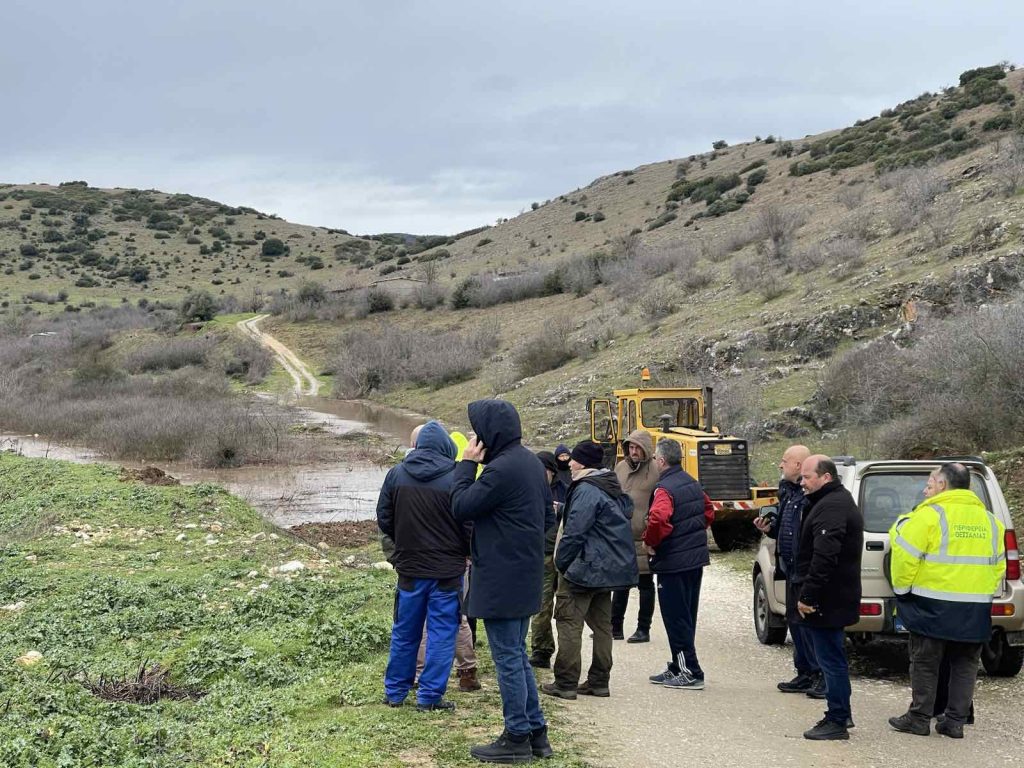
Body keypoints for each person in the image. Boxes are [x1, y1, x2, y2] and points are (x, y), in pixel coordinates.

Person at [451, 400, 555, 764]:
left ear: (491, 434)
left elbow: (461, 505)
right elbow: (546, 520)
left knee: (508, 659)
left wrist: (467, 463)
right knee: (518, 656)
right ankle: (536, 733)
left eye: (478, 431)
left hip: (501, 578)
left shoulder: (500, 470)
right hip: (524, 575)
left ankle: (516, 737)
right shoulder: (528, 463)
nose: (476, 437)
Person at [887, 463, 1005, 739]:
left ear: (942, 484)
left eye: (931, 481)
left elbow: (904, 556)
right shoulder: (991, 521)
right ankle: (954, 722)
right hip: (975, 608)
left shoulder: (928, 516)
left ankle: (918, 718)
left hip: (931, 605)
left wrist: (903, 591)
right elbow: (998, 567)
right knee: (965, 665)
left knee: (925, 662)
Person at [377, 421, 469, 712]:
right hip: (447, 572)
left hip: (410, 570)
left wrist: (401, 547)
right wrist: (465, 552)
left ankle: (395, 693)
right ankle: (429, 697)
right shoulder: (457, 477)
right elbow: (470, 524)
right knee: (442, 634)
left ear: (417, 445)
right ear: (447, 448)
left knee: (405, 632)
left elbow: (384, 517)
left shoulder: (397, 474)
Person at [541, 441, 637, 700]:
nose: (569, 464)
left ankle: (566, 682)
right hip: (606, 571)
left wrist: (561, 562)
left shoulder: (585, 489)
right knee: (602, 626)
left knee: (568, 623)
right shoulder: (609, 486)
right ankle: (599, 681)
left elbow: (576, 531)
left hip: (583, 571)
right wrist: (561, 509)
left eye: (573, 460)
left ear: (582, 463)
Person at [794, 455, 863, 741]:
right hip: (834, 595)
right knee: (832, 658)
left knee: (831, 661)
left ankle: (837, 717)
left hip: (828, 598)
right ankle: (840, 713)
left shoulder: (832, 506)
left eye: (807, 477)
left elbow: (824, 556)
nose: (802, 483)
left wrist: (808, 595)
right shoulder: (831, 501)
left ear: (825, 477)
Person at [644, 440, 714, 691]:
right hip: (694, 560)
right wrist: (691, 533)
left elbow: (658, 518)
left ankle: (690, 670)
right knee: (687, 614)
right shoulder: (691, 482)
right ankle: (677, 664)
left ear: (662, 461)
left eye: (654, 458)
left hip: (672, 561)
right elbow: (708, 510)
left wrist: (651, 542)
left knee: (676, 617)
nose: (653, 462)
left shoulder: (664, 488)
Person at [753, 445, 823, 696]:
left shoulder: (810, 497)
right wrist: (768, 528)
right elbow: (784, 527)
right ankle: (804, 672)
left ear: (797, 465)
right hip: (791, 570)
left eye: (784, 461)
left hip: (806, 571)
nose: (780, 466)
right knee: (795, 623)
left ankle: (818, 675)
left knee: (809, 625)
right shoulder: (790, 494)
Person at [611, 430, 661, 643]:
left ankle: (643, 629)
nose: (633, 452)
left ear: (646, 449)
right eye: (630, 447)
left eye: (637, 448)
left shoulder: (656, 470)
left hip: (643, 537)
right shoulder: (620, 468)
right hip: (621, 536)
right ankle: (615, 627)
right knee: (619, 584)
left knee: (645, 584)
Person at [529, 451, 568, 669]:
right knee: (541, 605)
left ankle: (566, 655)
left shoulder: (566, 491)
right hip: (540, 554)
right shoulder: (529, 490)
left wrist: (560, 510)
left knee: (565, 608)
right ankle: (541, 650)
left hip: (561, 555)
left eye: (543, 470)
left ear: (552, 472)